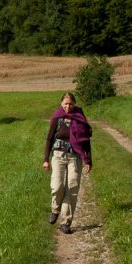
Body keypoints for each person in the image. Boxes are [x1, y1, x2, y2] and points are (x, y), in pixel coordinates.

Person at [42, 92, 92, 234]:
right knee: (57, 186)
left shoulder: (80, 118)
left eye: (70, 104)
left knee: (72, 187)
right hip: (58, 155)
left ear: (74, 104)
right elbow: (49, 139)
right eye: (65, 104)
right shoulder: (57, 118)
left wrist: (88, 160)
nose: (68, 106)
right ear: (61, 104)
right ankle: (55, 209)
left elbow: (86, 140)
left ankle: (66, 222)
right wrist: (46, 159)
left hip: (74, 157)